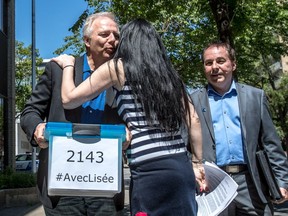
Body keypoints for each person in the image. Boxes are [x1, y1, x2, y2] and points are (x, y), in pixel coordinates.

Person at [51, 18, 203, 216]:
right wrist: (198, 163)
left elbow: (69, 99)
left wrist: (68, 65)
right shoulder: (170, 75)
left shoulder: (118, 68)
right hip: (180, 165)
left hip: (148, 170)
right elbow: (194, 120)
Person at [20, 12, 126, 216]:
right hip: (62, 187)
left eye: (116, 35)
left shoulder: (122, 76)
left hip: (106, 185)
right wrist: (36, 128)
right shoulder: (58, 71)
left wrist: (129, 132)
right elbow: (30, 111)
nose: (112, 40)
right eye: (104, 34)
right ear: (87, 40)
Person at [190, 41, 288, 215]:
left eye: (221, 61)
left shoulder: (255, 97)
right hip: (212, 184)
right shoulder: (193, 101)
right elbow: (186, 145)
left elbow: (271, 144)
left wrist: (282, 181)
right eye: (208, 63)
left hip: (251, 183)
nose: (215, 67)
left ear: (233, 64)